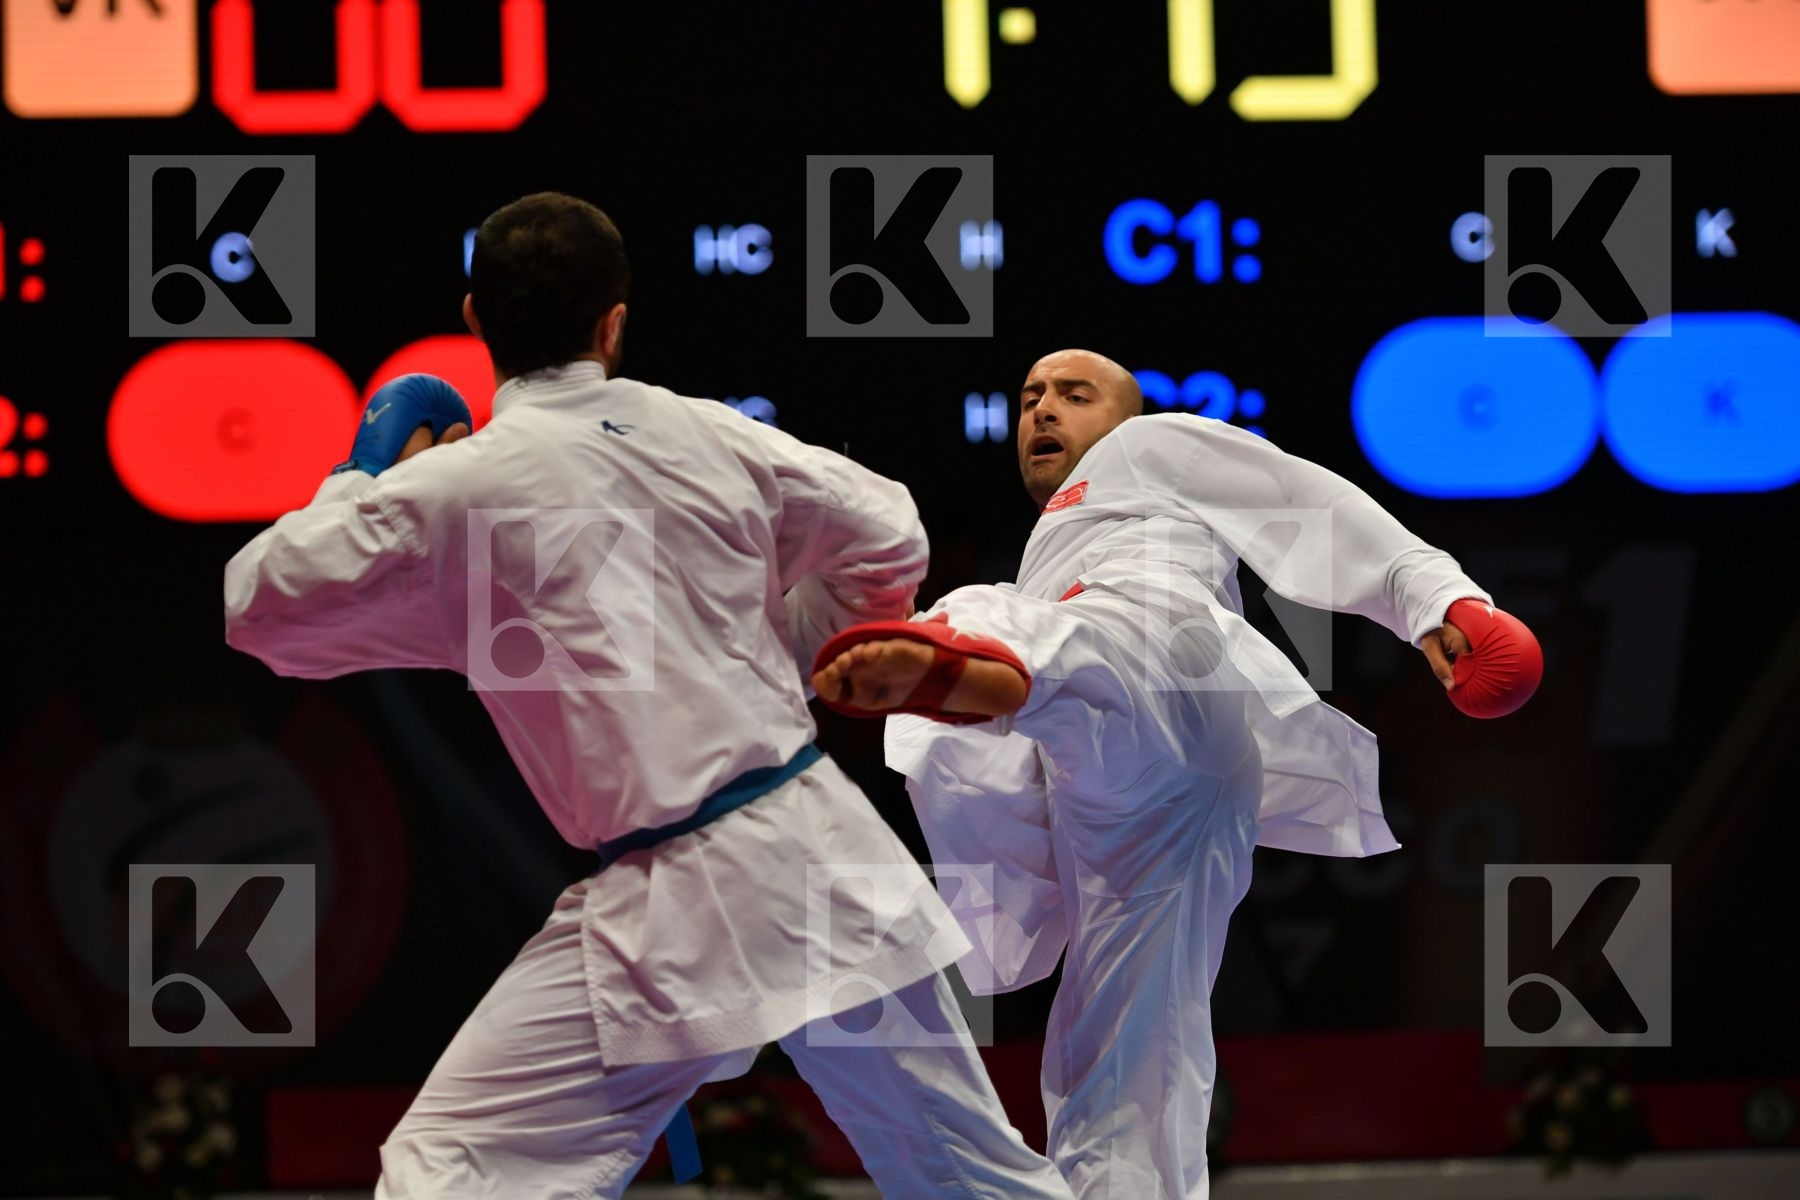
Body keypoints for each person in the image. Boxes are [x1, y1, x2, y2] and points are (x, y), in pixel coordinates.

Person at [223, 193, 1074, 1199]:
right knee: (975, 1181)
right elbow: (888, 528)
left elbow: (259, 604)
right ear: (613, 323)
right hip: (821, 853)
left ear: (473, 321)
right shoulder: (712, 435)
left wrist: (361, 474)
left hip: (675, 900)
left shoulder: (454, 492)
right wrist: (798, 650)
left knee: (451, 1172)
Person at [812, 349, 1542, 1199]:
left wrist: (1440, 601)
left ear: (1124, 418)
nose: (1043, 410)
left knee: (1020, 621)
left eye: (1074, 396)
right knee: (1123, 1057)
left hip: (1171, 668)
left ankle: (971, 662)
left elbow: (1309, 502)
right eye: (1029, 399)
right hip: (1133, 790)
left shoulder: (1150, 448)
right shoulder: (1053, 545)